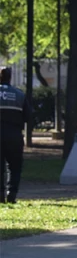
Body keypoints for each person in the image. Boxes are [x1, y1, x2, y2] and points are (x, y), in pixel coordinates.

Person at [1, 67, 34, 204]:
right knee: (14, 166)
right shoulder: (19, 94)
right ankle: (12, 194)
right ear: (10, 77)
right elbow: (29, 116)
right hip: (14, 135)